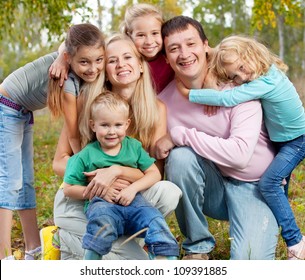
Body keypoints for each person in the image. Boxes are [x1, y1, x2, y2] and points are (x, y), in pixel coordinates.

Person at [155, 16, 279, 260]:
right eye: (174, 48)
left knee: (251, 263)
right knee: (180, 158)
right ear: (167, 58)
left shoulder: (238, 84)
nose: (184, 54)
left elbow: (240, 155)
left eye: (191, 44)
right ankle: (198, 247)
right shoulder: (163, 102)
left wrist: (180, 134)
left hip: (257, 187)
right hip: (213, 186)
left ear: (205, 45)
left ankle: (253, 226)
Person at [51, 33, 182, 260]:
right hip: (83, 199)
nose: (121, 65)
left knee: (169, 192)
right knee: (136, 261)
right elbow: (59, 161)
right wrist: (96, 177)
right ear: (105, 71)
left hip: (129, 199)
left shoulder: (156, 108)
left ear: (141, 66)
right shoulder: (88, 102)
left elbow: (155, 173)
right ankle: (63, 239)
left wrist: (116, 171)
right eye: (112, 60)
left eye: (128, 57)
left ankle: (94, 245)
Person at [176, 35, 305, 260]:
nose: (243, 78)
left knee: (270, 183)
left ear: (251, 54)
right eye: (235, 76)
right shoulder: (264, 73)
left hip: (296, 141)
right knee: (278, 187)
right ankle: (283, 233)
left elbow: (230, 98)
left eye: (243, 68)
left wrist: (191, 94)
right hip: (281, 141)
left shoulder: (266, 81)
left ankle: (296, 242)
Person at [0, 23, 105, 260]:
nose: (93, 68)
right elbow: (74, 135)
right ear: (71, 58)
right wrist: (88, 165)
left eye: (99, 60)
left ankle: (33, 248)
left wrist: (61, 56)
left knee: (26, 181)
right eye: (85, 62)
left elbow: (67, 43)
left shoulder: (70, 58)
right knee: (9, 181)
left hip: (21, 112)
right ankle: (3, 256)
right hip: (4, 108)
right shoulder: (67, 81)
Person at [63, 91, 179, 260]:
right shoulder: (85, 155)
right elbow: (68, 189)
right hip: (102, 205)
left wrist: (133, 189)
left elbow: (154, 174)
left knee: (155, 220)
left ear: (127, 124)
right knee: (102, 226)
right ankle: (90, 263)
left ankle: (166, 259)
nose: (112, 131)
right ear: (93, 125)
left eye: (118, 125)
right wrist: (96, 191)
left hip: (133, 201)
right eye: (105, 125)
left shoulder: (133, 147)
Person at [120, 3, 174, 94]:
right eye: (141, 35)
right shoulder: (128, 63)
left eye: (154, 33)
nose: (149, 41)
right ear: (130, 35)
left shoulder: (170, 56)